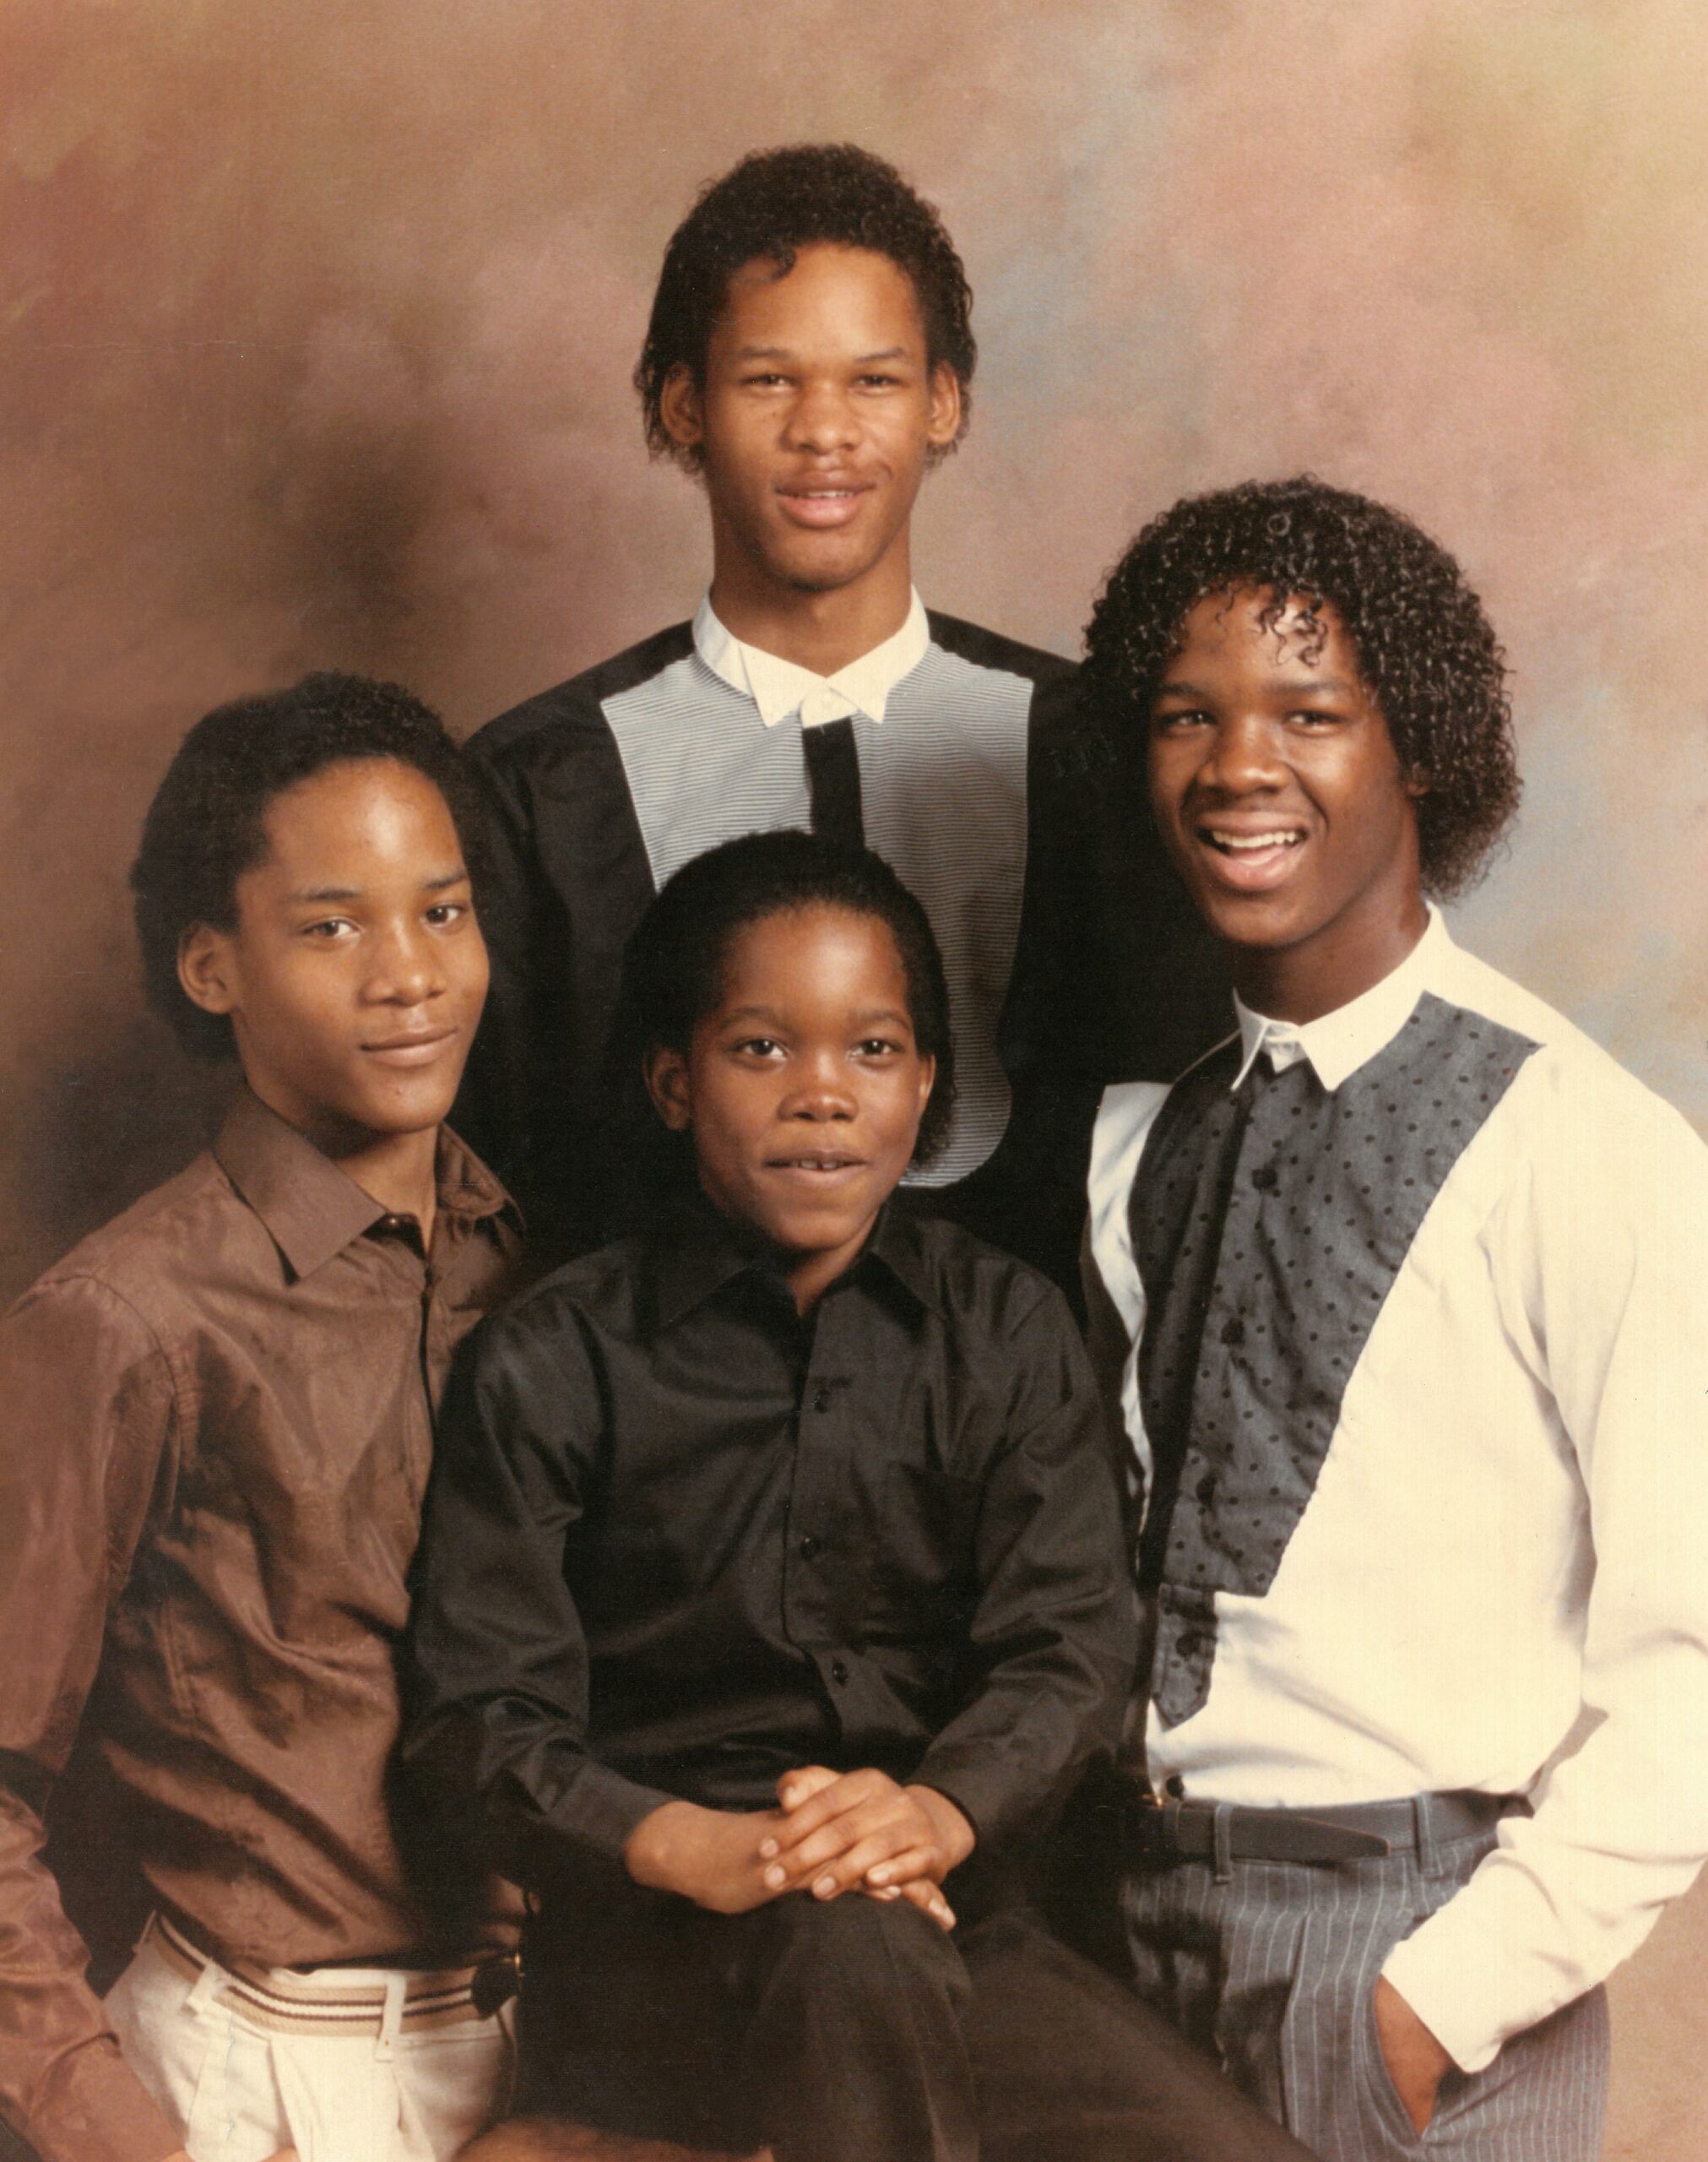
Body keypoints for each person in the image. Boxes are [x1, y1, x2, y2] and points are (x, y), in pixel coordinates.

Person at [404, 830, 1313, 2162]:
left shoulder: (1002, 1330)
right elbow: (476, 1724)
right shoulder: (553, 1359)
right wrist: (702, 1849)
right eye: (762, 1049)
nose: (821, 1094)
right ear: (673, 1081)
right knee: (846, 1956)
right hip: (653, 1950)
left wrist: (928, 1817)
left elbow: (1068, 1652)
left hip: (941, 1908)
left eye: (872, 1051)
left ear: (929, 1084)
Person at [1076, 476, 1708, 2159]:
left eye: (1308, 713)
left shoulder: (1589, 1146)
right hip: (1125, 1937)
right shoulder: (1136, 1144)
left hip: (1409, 1945)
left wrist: (1432, 2005)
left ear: (1416, 744)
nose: (1236, 767)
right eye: (1184, 718)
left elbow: (1695, 1663)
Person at [453, 141, 1221, 1292]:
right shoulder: (537, 783)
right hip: (667, 1432)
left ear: (943, 403)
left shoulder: (1093, 747)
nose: (826, 431)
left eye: (873, 380)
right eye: (769, 380)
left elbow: (1193, 1131)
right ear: (683, 402)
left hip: (1034, 1421)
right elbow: (497, 1183)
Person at [0, 676, 525, 2162]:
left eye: (443, 910)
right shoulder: (125, 1323)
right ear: (212, 967)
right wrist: (114, 2135)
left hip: (533, 2067)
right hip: (263, 2080)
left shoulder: (545, 1270)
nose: (410, 974)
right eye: (332, 925)